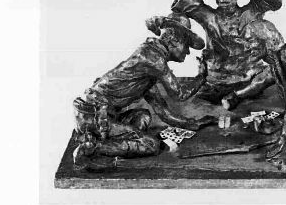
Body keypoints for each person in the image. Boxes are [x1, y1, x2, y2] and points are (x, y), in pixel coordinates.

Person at [72, 13, 216, 168]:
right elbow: (179, 93)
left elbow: (163, 112)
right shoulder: (153, 59)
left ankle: (111, 144)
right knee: (152, 145)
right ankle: (91, 149)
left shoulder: (148, 69)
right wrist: (202, 77)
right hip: (92, 116)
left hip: (102, 114)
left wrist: (194, 124)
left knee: (143, 117)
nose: (187, 52)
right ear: (174, 39)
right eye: (186, 45)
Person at [168, 0, 285, 109]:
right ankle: (234, 96)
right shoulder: (209, 16)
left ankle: (239, 95)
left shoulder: (250, 13)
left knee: (278, 66)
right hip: (217, 81)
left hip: (249, 78)